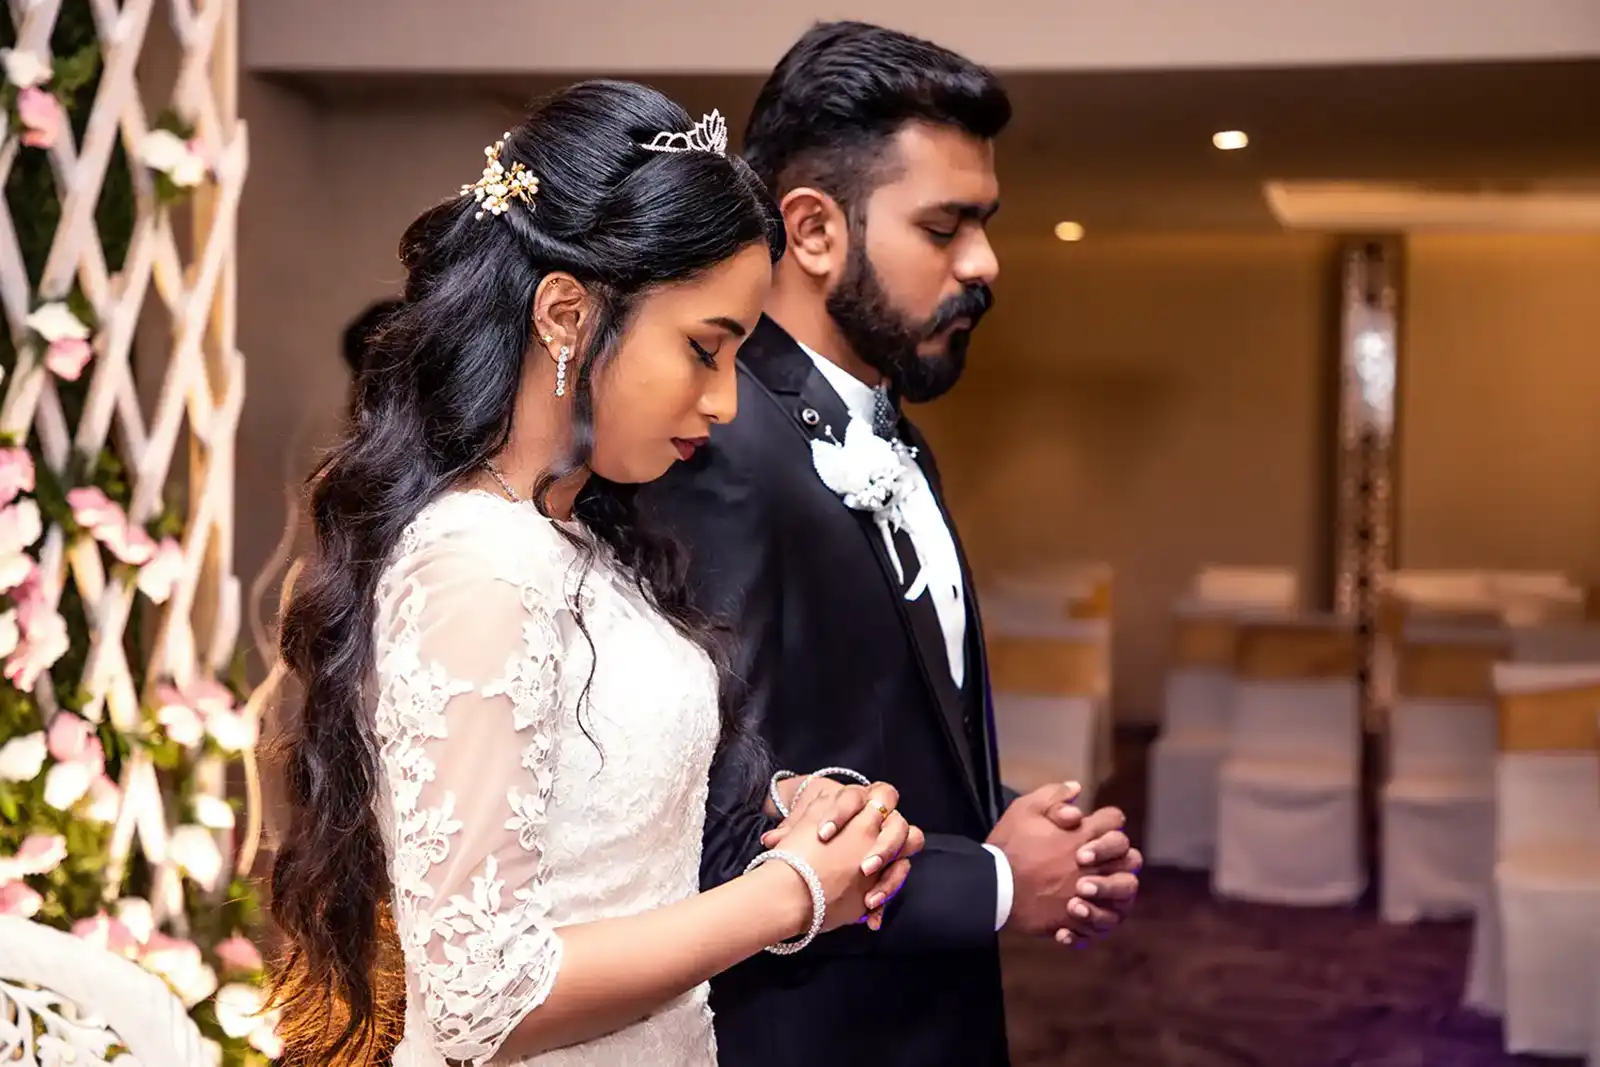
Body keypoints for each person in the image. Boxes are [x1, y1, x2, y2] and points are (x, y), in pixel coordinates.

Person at [266, 81, 924, 1067]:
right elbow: (484, 998)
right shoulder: (477, 565)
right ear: (567, 313)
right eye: (704, 348)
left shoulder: (577, 536)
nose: (724, 402)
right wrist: (789, 895)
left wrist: (786, 808)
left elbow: (593, 814)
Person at [639, 22, 1142, 1067]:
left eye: (984, 223)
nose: (985, 262)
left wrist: (1011, 820)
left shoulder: (893, 434)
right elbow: (706, 806)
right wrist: (995, 881)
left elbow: (872, 730)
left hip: (932, 1013)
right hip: (809, 1029)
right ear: (814, 230)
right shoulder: (715, 448)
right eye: (945, 226)